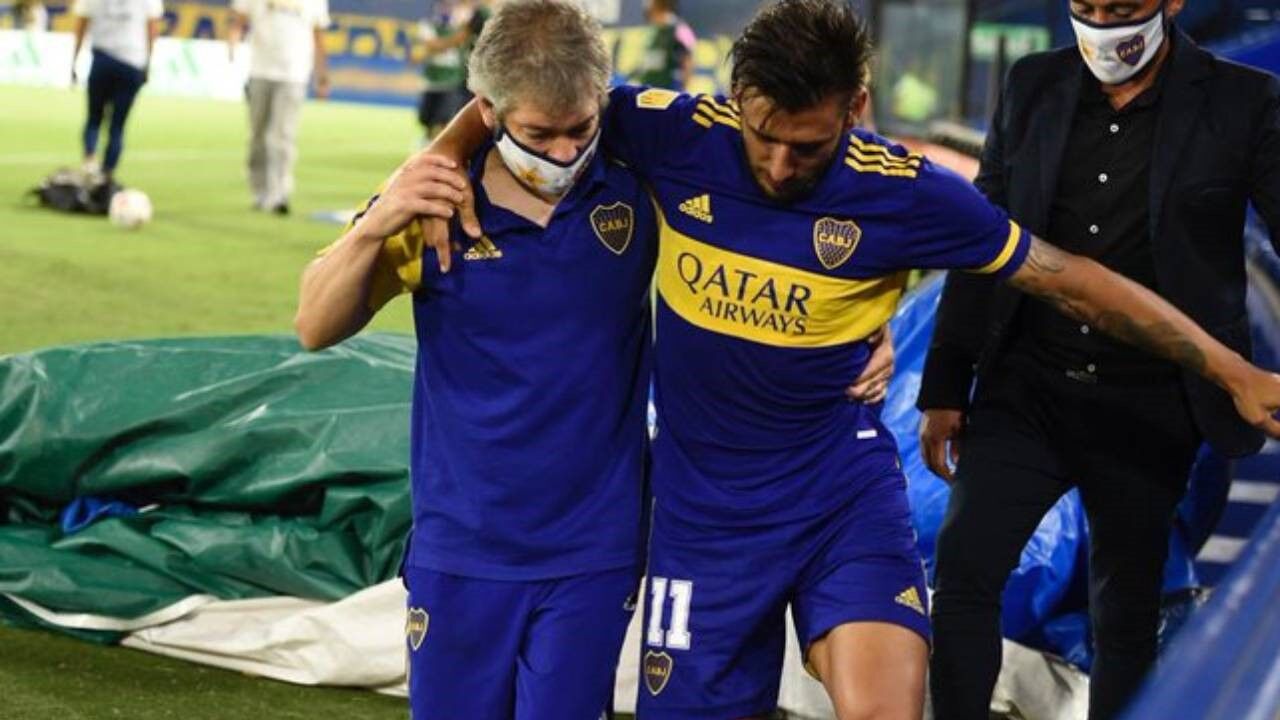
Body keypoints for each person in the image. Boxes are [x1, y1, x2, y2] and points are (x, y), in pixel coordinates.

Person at [421, 1, 1280, 717]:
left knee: (884, 708)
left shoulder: (904, 194)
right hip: (702, 516)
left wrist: (1228, 368)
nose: (779, 165)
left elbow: (1076, 282)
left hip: (840, 495)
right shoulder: (670, 132)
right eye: (762, 135)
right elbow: (531, 98)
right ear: (736, 96)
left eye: (808, 145)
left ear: (856, 106)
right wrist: (442, 157)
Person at [916, 0, 1280, 718]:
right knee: (963, 575)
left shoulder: (1243, 102)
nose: (1105, 27)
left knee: (1126, 610)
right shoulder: (1031, 86)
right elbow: (980, 240)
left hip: (1150, 404)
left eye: (1122, 8)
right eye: (1087, 8)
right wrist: (945, 386)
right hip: (1026, 388)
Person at [227, 0, 330, 215]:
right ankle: (259, 190)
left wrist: (322, 74)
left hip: (294, 74)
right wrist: (232, 46)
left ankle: (279, 193)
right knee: (258, 135)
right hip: (260, 70)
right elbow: (238, 20)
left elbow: (318, 35)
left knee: (283, 135)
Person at [70, 0, 162, 184]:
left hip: (102, 59)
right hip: (133, 62)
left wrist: (74, 60)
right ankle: (106, 175)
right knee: (117, 126)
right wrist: (148, 63)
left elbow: (81, 25)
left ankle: (90, 160)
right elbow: (152, 29)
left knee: (94, 118)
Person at [416, 0, 489, 140]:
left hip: (454, 80)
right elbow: (433, 45)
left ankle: (440, 143)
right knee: (427, 120)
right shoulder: (430, 24)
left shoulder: (470, 17)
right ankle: (429, 142)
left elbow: (460, 38)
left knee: (445, 120)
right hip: (433, 81)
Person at [629, 0, 696, 92]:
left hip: (669, 90)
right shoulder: (651, 29)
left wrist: (683, 88)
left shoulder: (680, 29)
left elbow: (688, 60)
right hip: (648, 89)